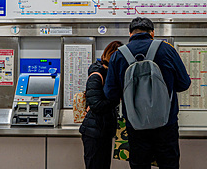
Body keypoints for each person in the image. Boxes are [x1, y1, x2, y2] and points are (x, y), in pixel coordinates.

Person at [104, 17, 191, 169]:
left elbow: (111, 94)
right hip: (166, 123)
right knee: (169, 164)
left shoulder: (118, 55)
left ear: (130, 34)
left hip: (135, 126)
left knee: (139, 165)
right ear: (152, 33)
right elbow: (184, 83)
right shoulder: (167, 49)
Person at [79, 41, 123, 169]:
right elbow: (96, 105)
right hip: (94, 132)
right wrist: (116, 99)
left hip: (103, 131)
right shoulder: (97, 75)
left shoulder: (109, 74)